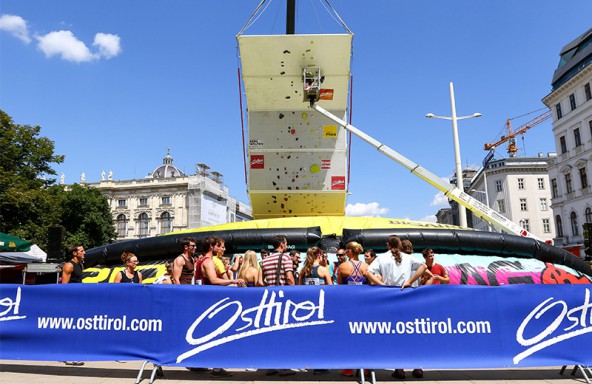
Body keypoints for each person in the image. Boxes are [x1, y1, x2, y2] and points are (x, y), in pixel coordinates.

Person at [365, 236, 433, 380]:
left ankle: (400, 368)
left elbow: (367, 272)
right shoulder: (408, 257)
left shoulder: (382, 258)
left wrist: (380, 284)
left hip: (390, 296)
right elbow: (424, 267)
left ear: (388, 245)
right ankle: (418, 367)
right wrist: (410, 281)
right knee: (412, 332)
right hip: (408, 296)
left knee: (396, 333)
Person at [260, 235, 296, 377]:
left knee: (271, 333)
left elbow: (261, 281)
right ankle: (283, 366)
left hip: (269, 299)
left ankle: (270, 365)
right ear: (282, 244)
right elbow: (289, 277)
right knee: (284, 334)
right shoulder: (286, 258)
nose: (287, 246)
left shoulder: (265, 260)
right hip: (284, 299)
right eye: (286, 243)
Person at [61, 244, 85, 366]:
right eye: (82, 251)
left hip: (78, 301)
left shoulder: (80, 265)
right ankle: (67, 356)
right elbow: (64, 287)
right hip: (69, 302)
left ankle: (73, 353)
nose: (84, 252)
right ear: (75, 253)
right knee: (70, 328)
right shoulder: (69, 265)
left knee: (76, 328)